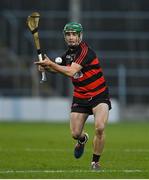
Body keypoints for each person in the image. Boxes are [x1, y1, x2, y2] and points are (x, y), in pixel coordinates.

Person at [34, 22, 111, 170]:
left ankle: (95, 162)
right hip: (80, 97)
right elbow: (61, 69)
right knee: (75, 134)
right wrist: (46, 67)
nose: (71, 37)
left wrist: (51, 64)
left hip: (99, 95)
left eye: (74, 34)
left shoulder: (85, 52)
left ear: (80, 36)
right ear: (65, 37)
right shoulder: (68, 55)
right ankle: (82, 140)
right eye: (68, 34)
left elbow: (70, 72)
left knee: (100, 128)